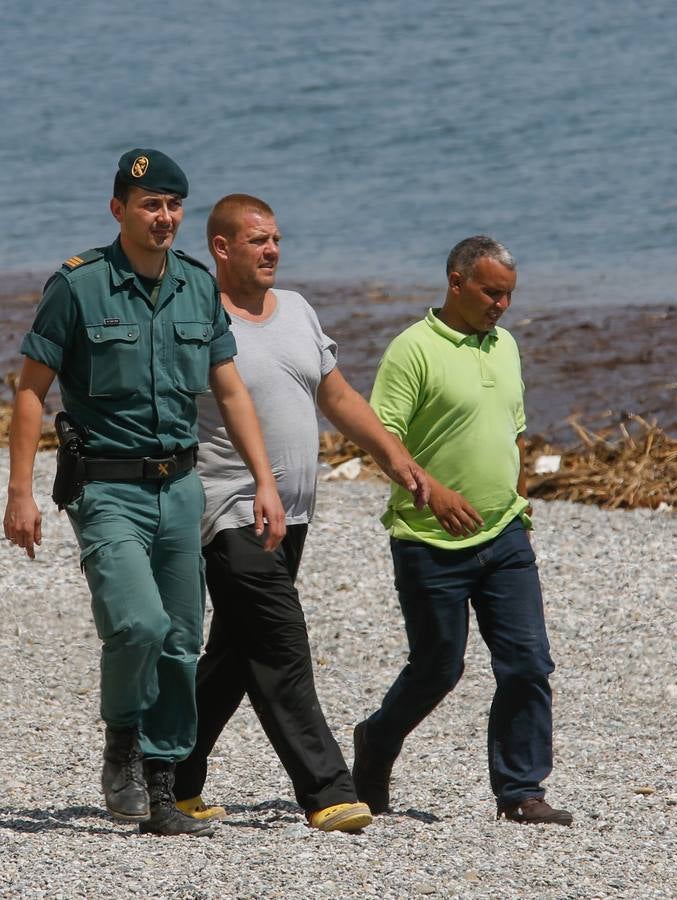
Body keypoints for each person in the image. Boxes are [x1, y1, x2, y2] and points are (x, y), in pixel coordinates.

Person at [3, 150, 286, 838]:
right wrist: (20, 493)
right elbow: (31, 390)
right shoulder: (78, 287)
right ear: (118, 210)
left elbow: (229, 389)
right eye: (150, 204)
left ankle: (161, 789)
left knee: (182, 640)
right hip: (105, 488)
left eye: (173, 205)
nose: (164, 217)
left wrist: (265, 481)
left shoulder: (196, 287)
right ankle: (121, 741)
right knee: (139, 625)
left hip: (180, 488)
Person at [172, 194, 429, 833]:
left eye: (276, 240)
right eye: (257, 240)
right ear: (221, 248)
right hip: (229, 511)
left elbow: (336, 396)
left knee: (235, 654)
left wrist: (395, 459)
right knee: (280, 643)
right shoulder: (197, 319)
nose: (272, 250)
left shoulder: (297, 310)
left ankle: (168, 778)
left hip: (293, 516)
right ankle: (327, 789)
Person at [353, 236, 573, 826]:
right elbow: (382, 439)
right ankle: (376, 740)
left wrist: (519, 505)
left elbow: (514, 433)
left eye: (509, 295)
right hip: (428, 540)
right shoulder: (413, 349)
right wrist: (434, 491)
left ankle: (521, 791)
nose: (502, 305)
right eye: (491, 292)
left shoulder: (506, 346)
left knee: (528, 663)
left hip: (504, 536)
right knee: (437, 670)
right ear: (456, 282)